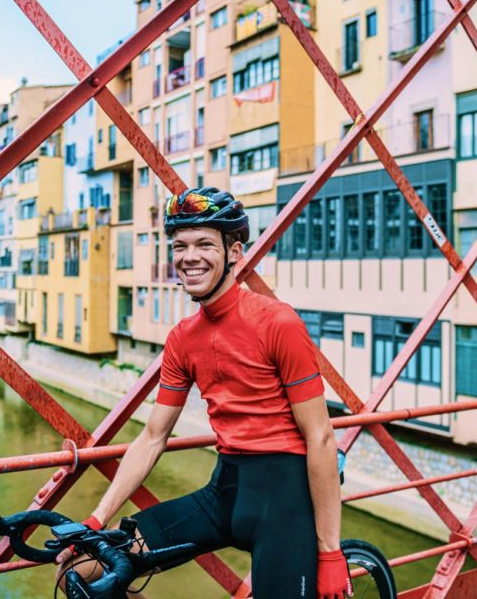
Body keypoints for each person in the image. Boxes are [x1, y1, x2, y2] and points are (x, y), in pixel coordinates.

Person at [57, 187, 352, 599]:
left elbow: (320, 435)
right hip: (224, 492)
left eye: (204, 244)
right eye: (180, 246)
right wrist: (95, 520)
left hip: (284, 503)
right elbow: (153, 436)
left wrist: (331, 553)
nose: (189, 257)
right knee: (86, 564)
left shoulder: (277, 322)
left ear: (234, 252)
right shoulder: (182, 339)